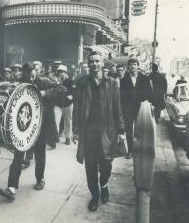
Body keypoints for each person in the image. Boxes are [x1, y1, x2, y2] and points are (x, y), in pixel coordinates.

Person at [0, 62, 67, 201]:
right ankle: (11, 188)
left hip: (40, 125)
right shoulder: (20, 83)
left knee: (40, 154)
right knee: (18, 156)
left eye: (33, 73)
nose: (31, 77)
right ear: (24, 74)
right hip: (24, 126)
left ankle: (40, 179)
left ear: (37, 71)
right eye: (28, 74)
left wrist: (45, 93)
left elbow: (63, 88)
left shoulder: (44, 81)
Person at [73, 51, 125, 212]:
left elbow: (118, 107)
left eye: (97, 61)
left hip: (107, 131)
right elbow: (77, 107)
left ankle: (104, 184)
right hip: (88, 131)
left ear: (102, 63)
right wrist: (75, 130)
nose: (94, 64)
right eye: (91, 62)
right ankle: (94, 196)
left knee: (106, 165)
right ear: (88, 64)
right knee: (90, 167)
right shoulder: (83, 83)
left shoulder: (112, 83)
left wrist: (121, 130)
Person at [120, 58, 153, 159]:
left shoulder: (144, 78)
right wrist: (122, 108)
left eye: (134, 64)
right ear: (128, 67)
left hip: (141, 106)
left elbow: (149, 92)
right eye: (130, 64)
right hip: (128, 108)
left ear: (138, 66)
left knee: (140, 129)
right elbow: (122, 94)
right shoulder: (124, 79)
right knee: (129, 129)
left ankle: (139, 150)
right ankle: (130, 150)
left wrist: (149, 104)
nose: (132, 66)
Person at [54, 65, 73, 145]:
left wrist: (72, 95)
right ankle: (55, 138)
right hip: (58, 104)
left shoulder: (70, 81)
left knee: (68, 121)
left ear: (65, 73)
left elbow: (75, 91)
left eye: (62, 72)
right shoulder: (54, 81)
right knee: (56, 121)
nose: (61, 73)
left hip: (67, 104)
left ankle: (68, 137)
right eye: (59, 72)